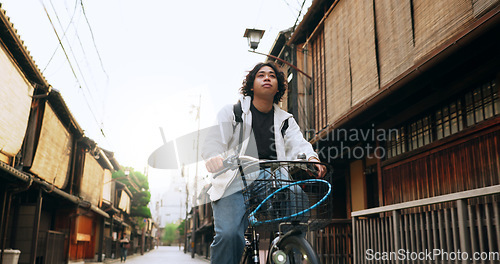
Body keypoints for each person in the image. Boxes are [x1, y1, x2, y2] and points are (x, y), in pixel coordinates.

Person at [202, 62, 325, 264]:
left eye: (272, 76)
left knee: (296, 195)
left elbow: (298, 143)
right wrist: (214, 156)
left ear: (278, 87)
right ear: (251, 85)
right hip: (234, 179)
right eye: (261, 75)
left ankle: (288, 244)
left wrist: (311, 158)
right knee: (229, 235)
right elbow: (214, 139)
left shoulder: (285, 119)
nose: (267, 78)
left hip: (271, 177)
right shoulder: (233, 112)